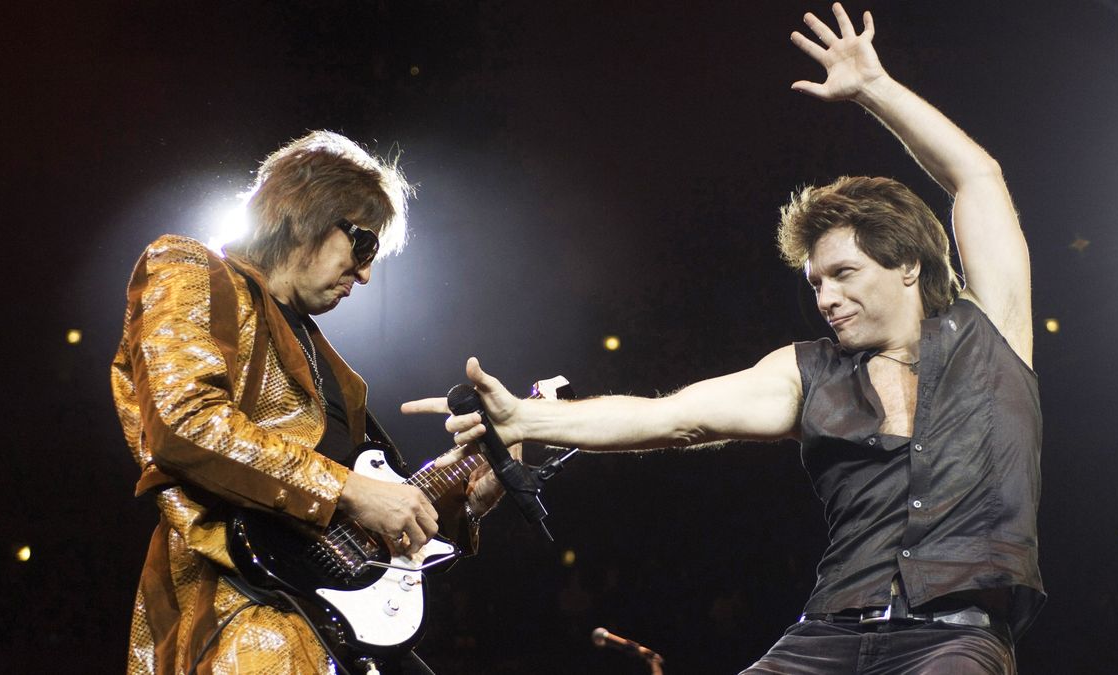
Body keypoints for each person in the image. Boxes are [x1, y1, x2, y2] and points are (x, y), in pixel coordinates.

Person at [404, 4, 1043, 673]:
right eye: (815, 281)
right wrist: (528, 416)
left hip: (953, 641)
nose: (825, 298)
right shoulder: (810, 373)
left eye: (844, 274)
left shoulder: (992, 332)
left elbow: (979, 177)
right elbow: (672, 417)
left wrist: (873, 88)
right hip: (824, 637)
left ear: (908, 265)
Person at [111, 131, 504, 675]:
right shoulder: (190, 269)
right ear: (304, 214)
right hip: (239, 617)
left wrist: (466, 495)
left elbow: (372, 515)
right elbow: (184, 422)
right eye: (363, 246)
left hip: (331, 628)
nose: (366, 274)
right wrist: (347, 488)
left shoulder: (333, 368)